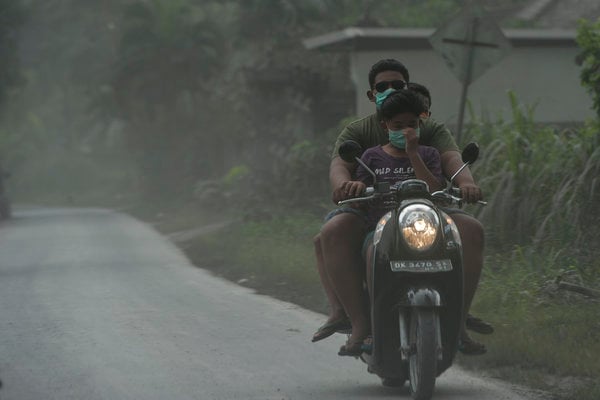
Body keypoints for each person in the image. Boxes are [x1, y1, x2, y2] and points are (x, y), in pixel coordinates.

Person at [311, 59, 491, 356]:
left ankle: (458, 323)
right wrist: (345, 186)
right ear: (372, 95)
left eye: (397, 85)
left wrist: (467, 184)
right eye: (382, 87)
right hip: (374, 211)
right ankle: (360, 324)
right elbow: (340, 167)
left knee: (471, 230)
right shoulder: (360, 136)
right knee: (333, 232)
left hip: (429, 209)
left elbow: (452, 161)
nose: (390, 90)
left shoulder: (429, 134)